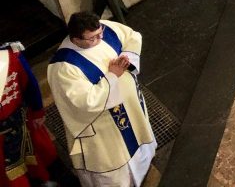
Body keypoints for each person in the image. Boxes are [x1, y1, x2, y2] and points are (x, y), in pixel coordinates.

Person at [48, 12, 156, 187]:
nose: (99, 39)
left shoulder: (104, 28)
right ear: (76, 39)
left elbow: (132, 36)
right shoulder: (64, 66)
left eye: (100, 33)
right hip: (106, 129)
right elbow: (85, 102)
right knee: (116, 165)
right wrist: (112, 76)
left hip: (132, 109)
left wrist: (127, 59)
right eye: (92, 38)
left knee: (140, 140)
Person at [1, 40, 57, 187]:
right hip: (18, 122)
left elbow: (30, 85)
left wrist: (37, 111)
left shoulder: (11, 55)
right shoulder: (11, 54)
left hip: (21, 119)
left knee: (33, 158)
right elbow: (30, 84)